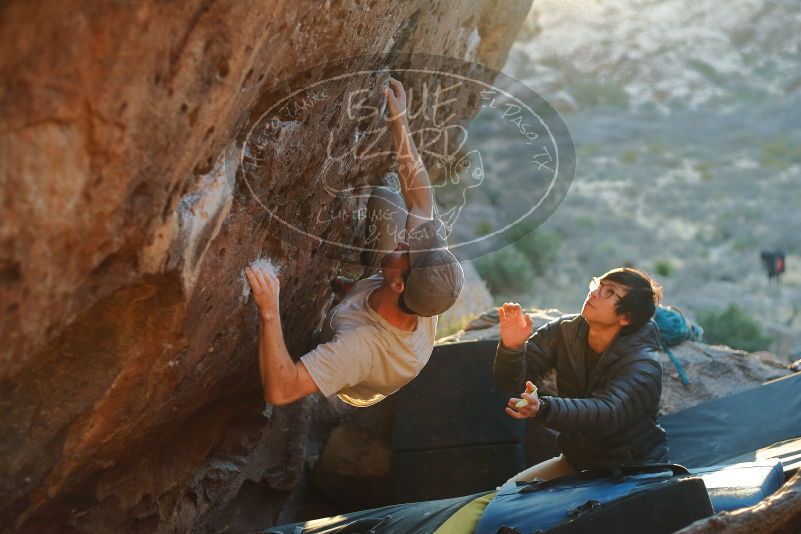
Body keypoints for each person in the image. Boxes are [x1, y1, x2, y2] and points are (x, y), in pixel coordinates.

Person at [245, 78, 464, 407]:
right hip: (388, 304)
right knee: (389, 201)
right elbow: (420, 201)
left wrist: (268, 310)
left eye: (407, 253)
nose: (404, 243)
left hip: (356, 370)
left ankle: (345, 305)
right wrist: (399, 120)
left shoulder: (360, 347)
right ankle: (358, 289)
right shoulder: (430, 285)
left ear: (400, 284)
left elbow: (282, 391)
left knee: (322, 348)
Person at [496, 267, 669, 482]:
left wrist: (543, 408)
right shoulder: (564, 331)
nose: (594, 293)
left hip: (631, 473)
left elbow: (607, 413)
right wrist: (512, 348)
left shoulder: (644, 364)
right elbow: (512, 383)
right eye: (598, 285)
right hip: (578, 463)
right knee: (509, 493)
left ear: (626, 317)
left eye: (609, 292)